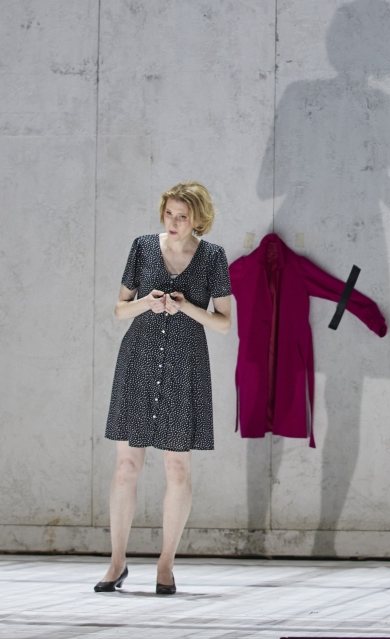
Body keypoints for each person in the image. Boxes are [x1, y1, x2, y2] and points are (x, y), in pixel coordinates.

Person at [95, 181, 231, 595]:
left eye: (182, 216)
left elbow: (224, 322)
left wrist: (187, 305)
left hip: (184, 365)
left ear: (198, 219)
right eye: (169, 214)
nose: (173, 223)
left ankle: (165, 564)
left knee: (177, 468)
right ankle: (117, 562)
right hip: (137, 360)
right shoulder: (142, 247)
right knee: (126, 466)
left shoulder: (213, 258)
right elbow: (119, 309)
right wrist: (146, 303)